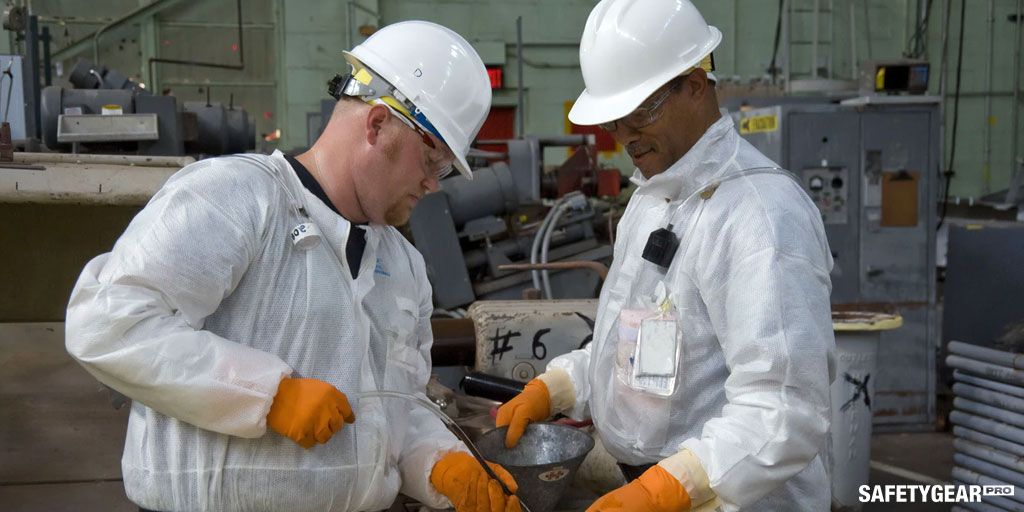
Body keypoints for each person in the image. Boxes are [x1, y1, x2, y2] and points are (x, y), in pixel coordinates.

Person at [65, 20, 521, 512]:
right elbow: (109, 321)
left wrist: (440, 462)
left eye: (446, 170)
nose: (434, 184)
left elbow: (395, 406)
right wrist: (268, 394)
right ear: (378, 125)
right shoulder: (236, 197)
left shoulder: (403, 266)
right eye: (432, 162)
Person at [496, 1, 836, 510]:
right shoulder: (652, 199)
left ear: (695, 85)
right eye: (615, 119)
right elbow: (637, 345)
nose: (626, 135)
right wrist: (563, 385)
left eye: (641, 112)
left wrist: (672, 487)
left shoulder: (761, 214)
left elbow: (785, 409)